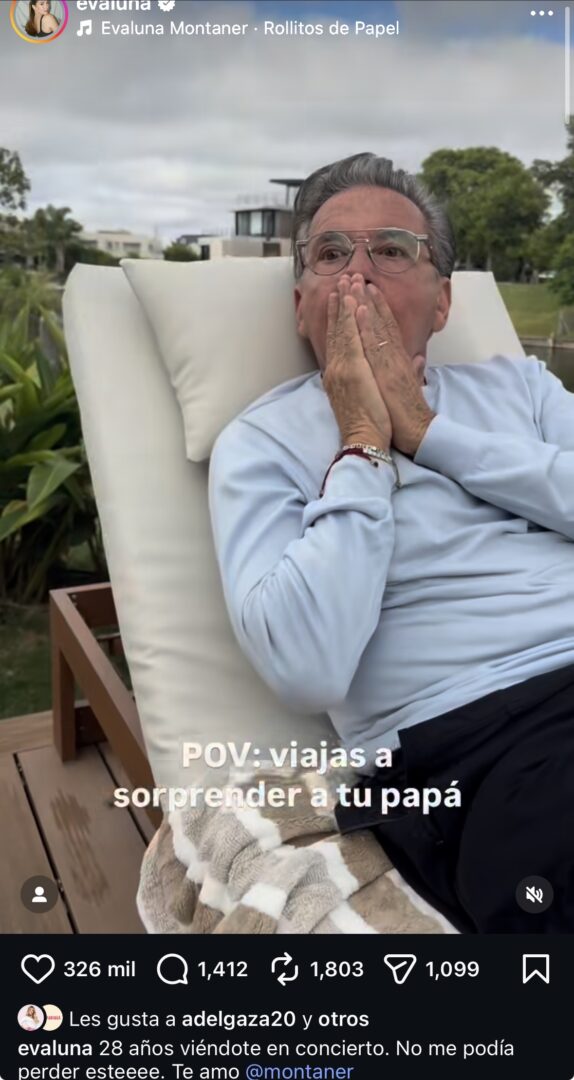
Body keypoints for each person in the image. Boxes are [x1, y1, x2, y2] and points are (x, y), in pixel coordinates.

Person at [208, 151, 574, 933]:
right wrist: (364, 442)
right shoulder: (260, 442)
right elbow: (305, 665)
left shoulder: (520, 388)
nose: (357, 273)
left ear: (443, 301)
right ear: (301, 304)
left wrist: (432, 434)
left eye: (392, 250)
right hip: (480, 743)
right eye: (331, 253)